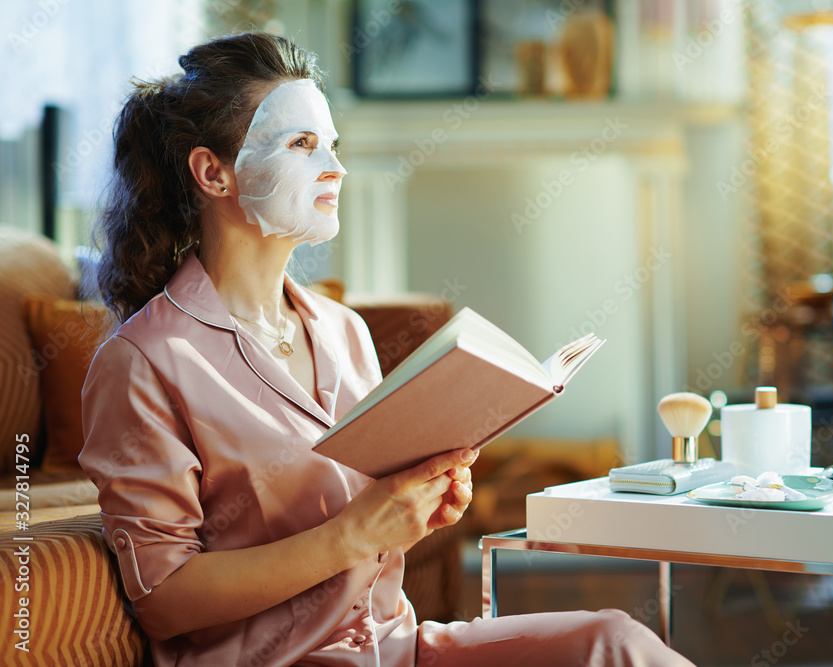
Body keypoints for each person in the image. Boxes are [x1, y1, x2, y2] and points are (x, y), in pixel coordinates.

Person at [78, 31, 696, 667]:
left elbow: (370, 507)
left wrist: (423, 498)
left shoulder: (343, 330)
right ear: (214, 172)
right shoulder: (142, 362)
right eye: (302, 144)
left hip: (398, 651)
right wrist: (354, 534)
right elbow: (163, 596)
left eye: (334, 146)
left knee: (613, 641)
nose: (335, 168)